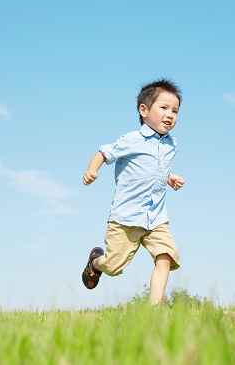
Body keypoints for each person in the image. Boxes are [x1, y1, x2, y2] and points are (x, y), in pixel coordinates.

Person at [81, 78, 185, 305]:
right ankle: (95, 261)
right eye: (164, 108)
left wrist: (169, 177)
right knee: (113, 265)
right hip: (126, 218)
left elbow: (156, 168)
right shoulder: (131, 140)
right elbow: (103, 153)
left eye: (175, 111)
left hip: (156, 218)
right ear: (144, 110)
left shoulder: (171, 145)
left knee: (166, 255)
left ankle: (155, 306)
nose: (170, 115)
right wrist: (92, 169)